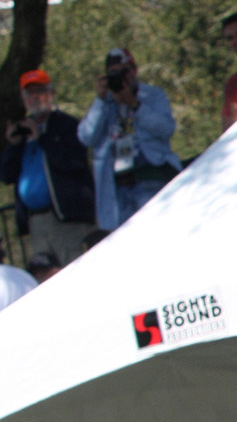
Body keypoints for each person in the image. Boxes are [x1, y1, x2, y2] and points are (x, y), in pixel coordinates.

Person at [0, 70, 95, 263]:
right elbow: (6, 175)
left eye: (40, 91)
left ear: (51, 93)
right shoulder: (25, 131)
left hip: (66, 217)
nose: (35, 97)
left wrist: (42, 139)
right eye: (30, 93)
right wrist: (14, 144)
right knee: (45, 277)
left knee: (74, 271)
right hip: (36, 221)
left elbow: (75, 164)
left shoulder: (67, 126)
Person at [79, 49, 180, 230]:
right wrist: (101, 100)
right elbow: (87, 137)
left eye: (124, 71)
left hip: (149, 178)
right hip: (115, 189)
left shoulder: (152, 95)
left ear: (134, 71)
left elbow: (166, 129)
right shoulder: (105, 103)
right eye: (113, 73)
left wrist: (135, 105)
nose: (121, 78)